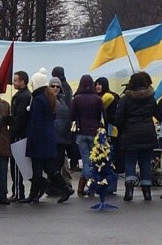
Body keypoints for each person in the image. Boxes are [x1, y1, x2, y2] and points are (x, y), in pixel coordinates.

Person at [24, 69, 70, 204]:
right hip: (48, 137)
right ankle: (36, 194)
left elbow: (36, 122)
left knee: (38, 168)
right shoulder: (48, 98)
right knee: (46, 167)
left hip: (39, 138)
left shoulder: (38, 100)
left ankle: (61, 188)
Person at [115, 72, 159, 201]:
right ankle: (147, 192)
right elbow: (157, 113)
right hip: (147, 133)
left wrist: (123, 130)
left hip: (130, 134)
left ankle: (129, 191)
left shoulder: (125, 99)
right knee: (145, 162)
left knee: (130, 162)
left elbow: (118, 118)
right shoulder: (150, 98)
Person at [71, 75, 103, 198]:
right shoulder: (97, 99)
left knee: (85, 161)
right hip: (94, 132)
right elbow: (103, 115)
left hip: (81, 132)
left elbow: (72, 116)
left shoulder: (77, 98)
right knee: (93, 161)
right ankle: (89, 187)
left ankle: (85, 187)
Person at [9, 71, 32, 202]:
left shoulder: (23, 97)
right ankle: (17, 190)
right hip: (20, 133)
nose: (14, 82)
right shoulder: (23, 95)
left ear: (23, 81)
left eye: (16, 80)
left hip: (18, 135)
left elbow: (20, 117)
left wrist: (12, 126)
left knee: (17, 165)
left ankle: (18, 192)